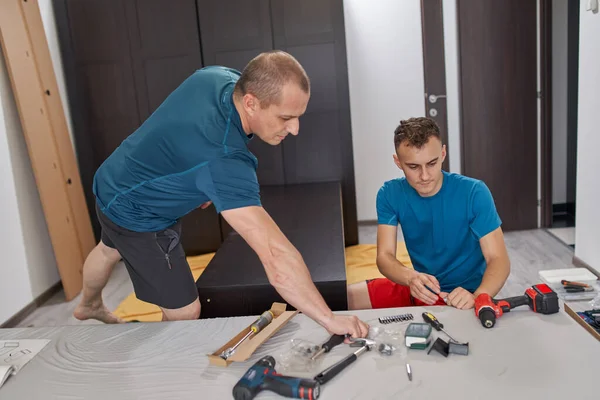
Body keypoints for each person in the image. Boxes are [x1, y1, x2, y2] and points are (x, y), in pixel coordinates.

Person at [74, 51, 369, 338]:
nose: (294, 129)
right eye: (285, 117)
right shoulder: (224, 160)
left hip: (112, 177)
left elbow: (179, 130)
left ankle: (89, 304)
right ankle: (159, 371)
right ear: (251, 102)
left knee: (108, 249)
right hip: (138, 213)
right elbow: (275, 255)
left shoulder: (218, 77)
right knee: (185, 312)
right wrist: (329, 319)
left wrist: (199, 179)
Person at [347, 117, 510, 310]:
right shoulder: (389, 194)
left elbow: (498, 260)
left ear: (443, 153)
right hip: (418, 286)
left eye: (432, 163)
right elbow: (384, 256)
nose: (424, 176)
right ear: (398, 162)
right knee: (342, 298)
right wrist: (410, 277)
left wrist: (479, 296)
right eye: (413, 167)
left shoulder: (474, 192)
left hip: (465, 294)